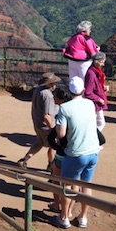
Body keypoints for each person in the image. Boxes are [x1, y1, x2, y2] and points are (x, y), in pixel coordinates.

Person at [54, 77, 104, 229]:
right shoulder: (89, 104)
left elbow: (61, 134)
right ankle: (83, 218)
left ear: (69, 90)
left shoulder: (65, 108)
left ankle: (64, 218)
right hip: (93, 151)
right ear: (83, 90)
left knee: (68, 186)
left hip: (76, 153)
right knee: (85, 185)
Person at [18, 72, 61, 169]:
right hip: (46, 125)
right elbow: (47, 116)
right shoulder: (48, 96)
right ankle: (51, 165)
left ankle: (24, 160)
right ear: (49, 84)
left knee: (40, 142)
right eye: (53, 83)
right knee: (53, 146)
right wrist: (53, 129)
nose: (55, 85)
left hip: (38, 123)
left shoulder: (37, 90)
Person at [47, 86, 73, 215]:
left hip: (63, 153)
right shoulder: (77, 111)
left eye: (55, 96)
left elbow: (52, 137)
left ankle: (57, 205)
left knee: (57, 180)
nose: (53, 98)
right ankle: (69, 211)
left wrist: (58, 148)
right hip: (76, 153)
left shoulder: (62, 113)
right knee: (74, 183)